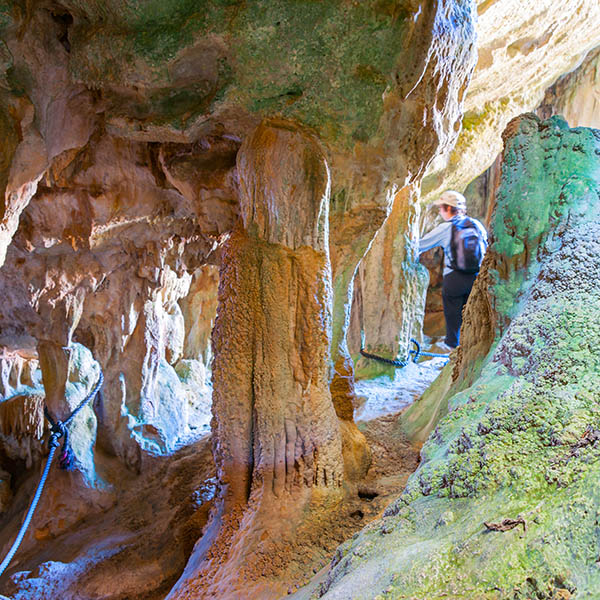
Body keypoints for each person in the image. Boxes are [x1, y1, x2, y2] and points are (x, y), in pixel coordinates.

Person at [418, 190, 488, 351]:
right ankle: (470, 345)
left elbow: (421, 245)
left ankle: (451, 345)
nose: (440, 212)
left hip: (454, 278)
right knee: (471, 312)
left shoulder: (446, 228)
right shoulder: (476, 224)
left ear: (448, 209)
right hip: (477, 277)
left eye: (441, 208)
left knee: (453, 312)